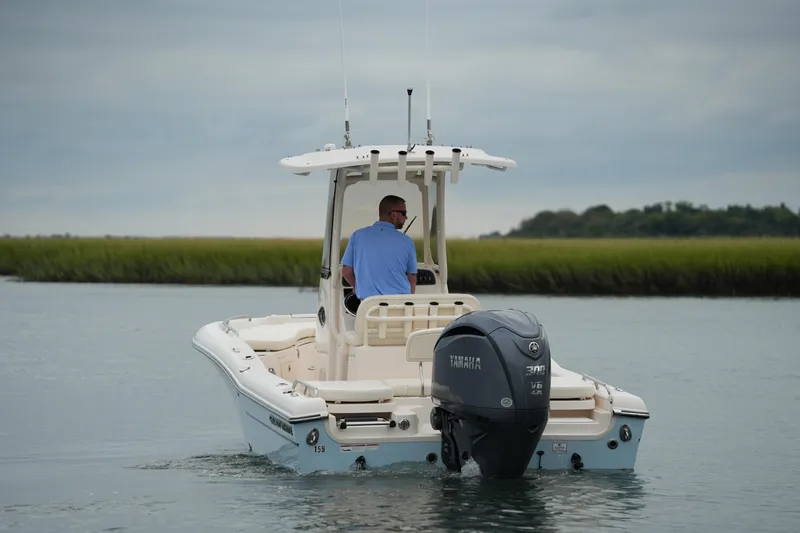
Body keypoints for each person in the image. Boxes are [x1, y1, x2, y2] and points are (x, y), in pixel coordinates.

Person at [341, 195, 418, 301]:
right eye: (404, 213)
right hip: (400, 307)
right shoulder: (407, 241)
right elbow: (412, 279)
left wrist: (356, 287)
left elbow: (346, 271)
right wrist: (410, 301)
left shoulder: (357, 236)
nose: (406, 217)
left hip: (368, 308)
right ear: (394, 215)